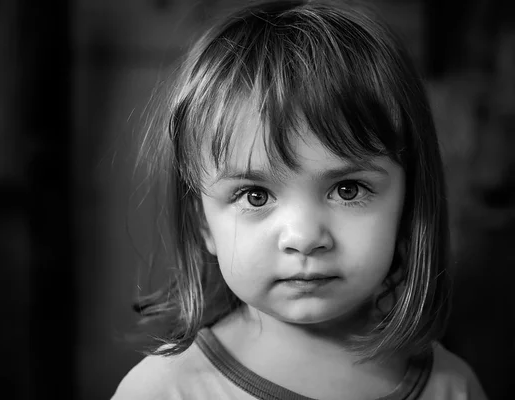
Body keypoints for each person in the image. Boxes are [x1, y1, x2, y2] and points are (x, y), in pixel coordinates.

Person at [113, 1, 488, 398]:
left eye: (348, 190)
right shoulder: (163, 392)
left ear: (409, 204)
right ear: (203, 223)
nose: (304, 237)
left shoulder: (452, 387)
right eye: (255, 195)